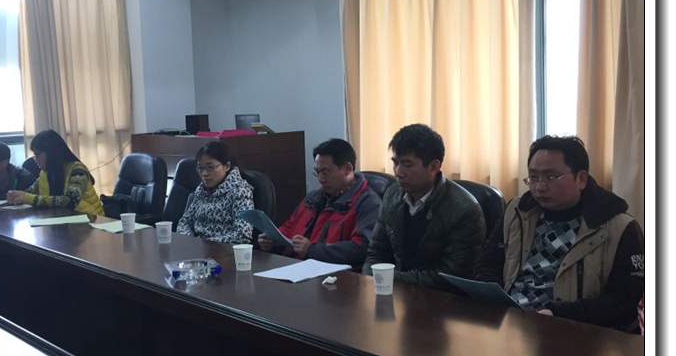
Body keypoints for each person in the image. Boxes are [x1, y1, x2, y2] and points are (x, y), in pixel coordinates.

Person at [472, 135, 644, 329]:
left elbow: (625, 303)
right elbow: (486, 264)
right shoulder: (517, 211)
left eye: (551, 177)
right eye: (534, 177)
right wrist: (495, 299)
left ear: (581, 179)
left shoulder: (620, 227)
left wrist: (558, 314)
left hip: (572, 330)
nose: (540, 187)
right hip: (510, 321)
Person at [362, 124, 486, 289]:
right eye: (396, 163)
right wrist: (371, 279)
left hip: (440, 299)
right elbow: (376, 252)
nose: (398, 172)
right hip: (395, 290)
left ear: (434, 167)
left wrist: (388, 279)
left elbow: (452, 275)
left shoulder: (464, 209)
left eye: (407, 164)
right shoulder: (392, 195)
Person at [258, 138, 381, 270]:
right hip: (294, 266)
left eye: (325, 172)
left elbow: (362, 248)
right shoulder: (313, 197)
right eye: (317, 172)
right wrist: (273, 241)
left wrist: (312, 250)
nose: (320, 179)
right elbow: (289, 226)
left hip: (332, 273)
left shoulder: (368, 203)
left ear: (347, 169)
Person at [6, 129, 105, 216]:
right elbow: (29, 193)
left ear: (51, 153)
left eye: (38, 155)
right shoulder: (45, 173)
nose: (36, 160)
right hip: (65, 222)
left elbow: (70, 201)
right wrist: (16, 196)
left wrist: (27, 198)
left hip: (91, 221)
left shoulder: (77, 170)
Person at [177, 141, 254, 244]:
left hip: (224, 250)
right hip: (198, 247)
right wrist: (192, 242)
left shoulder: (240, 191)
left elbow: (242, 235)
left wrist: (205, 244)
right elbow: (185, 222)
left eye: (210, 167)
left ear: (227, 166)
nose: (204, 173)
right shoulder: (202, 189)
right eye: (200, 168)